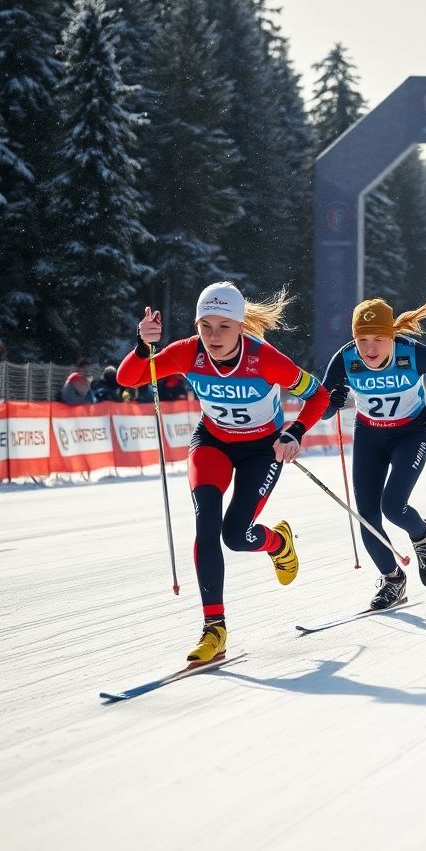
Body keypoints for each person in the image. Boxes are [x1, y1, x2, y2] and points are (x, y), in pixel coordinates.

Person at [116, 282, 330, 663]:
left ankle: (278, 543)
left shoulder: (265, 359)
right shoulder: (188, 352)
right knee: (206, 525)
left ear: (240, 325)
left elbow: (319, 395)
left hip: (261, 451)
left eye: (223, 327)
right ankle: (214, 628)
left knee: (235, 535)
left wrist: (294, 431)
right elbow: (128, 379)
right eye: (205, 326)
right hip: (211, 443)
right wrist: (142, 346)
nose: (213, 336)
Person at [322, 296, 426, 610]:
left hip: (411, 434)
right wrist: (332, 401)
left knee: (393, 507)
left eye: (378, 339)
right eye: (362, 340)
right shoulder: (345, 359)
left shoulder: (410, 353)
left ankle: (423, 536)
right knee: (367, 519)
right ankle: (393, 580)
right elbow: (322, 413)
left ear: (392, 336)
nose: (370, 348)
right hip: (369, 436)